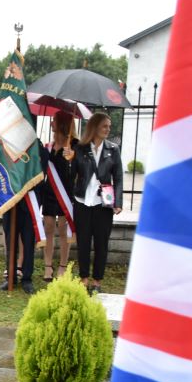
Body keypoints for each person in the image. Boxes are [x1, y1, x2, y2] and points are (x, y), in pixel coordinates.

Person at [72, 112, 122, 295]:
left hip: (103, 204)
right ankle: (84, 278)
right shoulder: (80, 148)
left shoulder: (113, 149)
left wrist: (118, 201)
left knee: (102, 243)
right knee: (83, 242)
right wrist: (69, 159)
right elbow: (72, 175)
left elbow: (118, 177)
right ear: (94, 127)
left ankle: (97, 280)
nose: (108, 129)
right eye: (104, 126)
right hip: (82, 202)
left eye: (109, 126)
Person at [39, 113, 77, 282]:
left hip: (66, 193)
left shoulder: (75, 145)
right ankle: (48, 266)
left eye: (54, 120)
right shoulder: (49, 146)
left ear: (62, 124)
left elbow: (80, 170)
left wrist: (72, 158)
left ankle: (62, 265)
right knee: (48, 227)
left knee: (63, 229)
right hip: (49, 192)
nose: (51, 123)